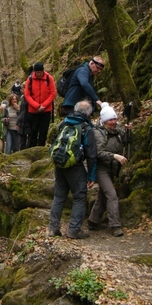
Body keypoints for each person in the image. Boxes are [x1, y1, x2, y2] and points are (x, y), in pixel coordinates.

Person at [49, 100, 97, 239]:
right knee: (80, 195)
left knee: (59, 196)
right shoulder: (85, 128)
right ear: (88, 113)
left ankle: (53, 228)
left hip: (59, 163)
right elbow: (92, 154)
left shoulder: (64, 123)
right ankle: (74, 230)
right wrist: (92, 176)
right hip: (74, 166)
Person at [88, 102, 129, 237]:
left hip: (113, 168)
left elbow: (127, 141)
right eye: (110, 120)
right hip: (101, 169)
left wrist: (129, 130)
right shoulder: (98, 133)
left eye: (115, 119)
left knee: (102, 195)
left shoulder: (118, 130)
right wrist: (115, 156)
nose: (113, 122)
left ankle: (93, 221)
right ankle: (115, 225)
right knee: (112, 195)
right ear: (104, 121)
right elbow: (98, 153)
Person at [24, 61, 56, 147]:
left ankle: (41, 149)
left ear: (43, 71)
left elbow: (53, 93)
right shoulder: (30, 79)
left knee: (43, 132)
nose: (38, 74)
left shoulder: (49, 78)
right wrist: (37, 106)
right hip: (33, 111)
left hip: (46, 111)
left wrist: (44, 105)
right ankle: (31, 150)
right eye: (37, 72)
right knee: (33, 133)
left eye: (40, 72)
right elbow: (27, 95)